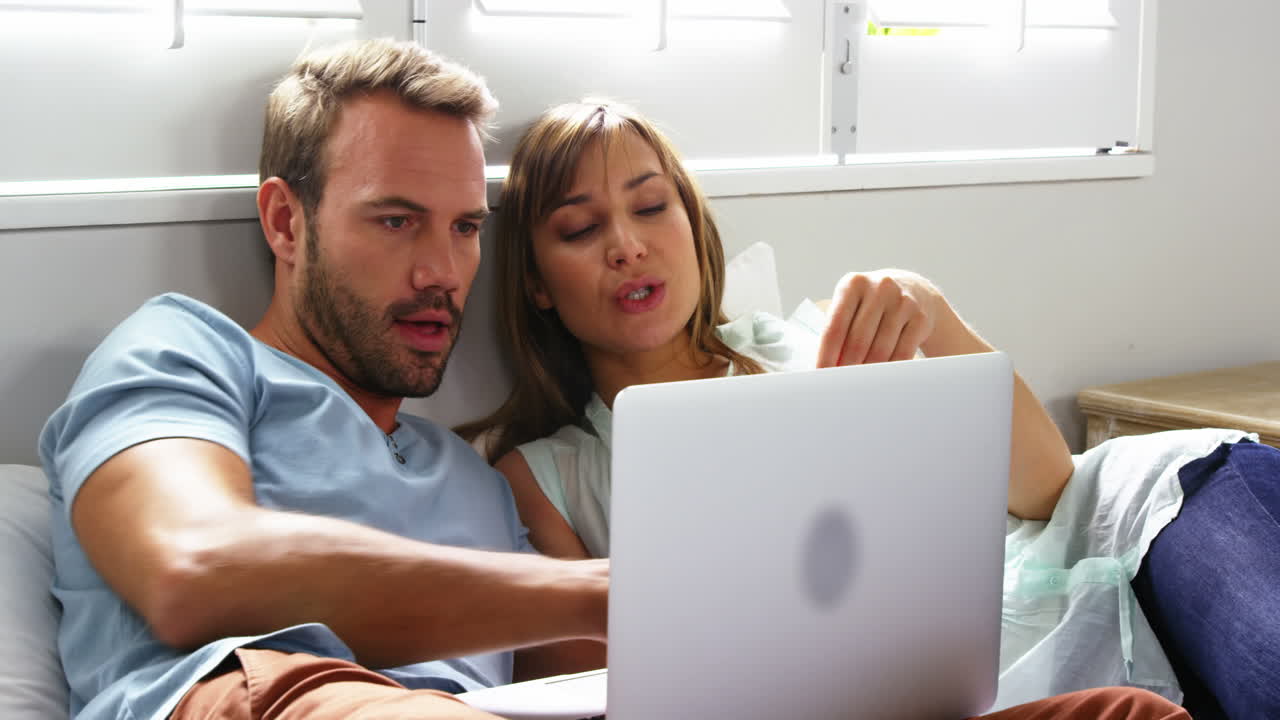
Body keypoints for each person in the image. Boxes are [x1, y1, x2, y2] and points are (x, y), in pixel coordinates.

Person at [462, 100, 1280, 719]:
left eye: (650, 208)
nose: (627, 246)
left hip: (1142, 529)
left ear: (691, 225)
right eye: (580, 228)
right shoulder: (546, 474)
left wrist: (935, 314)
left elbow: (1047, 488)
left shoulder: (819, 339)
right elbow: (596, 685)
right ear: (535, 282)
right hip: (976, 684)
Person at [39, 39, 607, 720]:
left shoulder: (471, 478)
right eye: (397, 221)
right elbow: (191, 570)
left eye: (464, 227)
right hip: (254, 688)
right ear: (285, 221)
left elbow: (595, 669)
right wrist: (598, 592)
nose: (444, 272)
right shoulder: (183, 352)